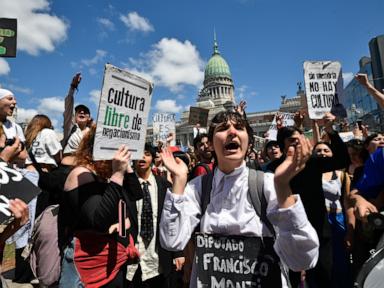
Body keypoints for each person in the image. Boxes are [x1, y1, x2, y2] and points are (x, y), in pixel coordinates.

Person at [160, 111, 319, 288]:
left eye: (239, 127)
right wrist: (179, 181)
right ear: (211, 144)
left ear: (249, 143)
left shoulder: (268, 184)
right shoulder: (197, 188)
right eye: (223, 128)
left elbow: (302, 260)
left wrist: (283, 187)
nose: (232, 132)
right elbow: (172, 241)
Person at [268, 112, 350, 288]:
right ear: (282, 146)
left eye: (300, 139)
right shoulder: (272, 170)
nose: (298, 143)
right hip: (289, 233)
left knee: (324, 275)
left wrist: (330, 131)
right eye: (292, 141)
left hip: (319, 229)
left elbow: (343, 159)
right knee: (293, 278)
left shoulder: (313, 162)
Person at [59, 124, 141, 287]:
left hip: (113, 263)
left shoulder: (105, 177)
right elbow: (98, 220)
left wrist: (127, 166)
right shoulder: (81, 174)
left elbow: (134, 194)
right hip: (89, 268)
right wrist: (117, 174)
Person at [126, 143, 184, 288]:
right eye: (138, 153)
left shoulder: (164, 185)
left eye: (146, 154)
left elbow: (174, 219)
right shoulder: (124, 186)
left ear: (152, 158)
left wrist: (178, 252)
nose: (142, 157)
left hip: (159, 257)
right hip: (133, 259)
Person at [313, 142, 352, 288]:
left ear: (332, 154)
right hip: (317, 222)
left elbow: (347, 205)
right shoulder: (308, 174)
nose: (322, 153)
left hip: (338, 221)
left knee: (340, 262)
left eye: (326, 150)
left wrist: (350, 231)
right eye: (318, 151)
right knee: (321, 263)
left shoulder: (342, 175)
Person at [0, 88, 27, 161]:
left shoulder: (16, 127)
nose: (15, 102)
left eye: (14, 99)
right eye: (10, 99)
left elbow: (23, 155)